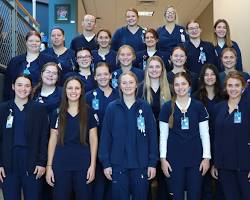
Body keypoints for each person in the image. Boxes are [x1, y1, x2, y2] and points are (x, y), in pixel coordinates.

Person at [99, 71, 158, 200]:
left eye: (131, 82)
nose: (127, 86)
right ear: (119, 86)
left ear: (136, 85)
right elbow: (105, 138)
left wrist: (153, 163)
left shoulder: (145, 107)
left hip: (141, 165)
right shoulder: (112, 108)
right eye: (124, 83)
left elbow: (153, 137)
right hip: (118, 165)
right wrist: (106, 163)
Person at [159, 72, 211, 200]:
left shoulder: (198, 106)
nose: (180, 87)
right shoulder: (167, 107)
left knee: (195, 195)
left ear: (189, 86)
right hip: (174, 160)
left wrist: (206, 158)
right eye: (177, 84)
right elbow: (163, 136)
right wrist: (163, 159)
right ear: (173, 87)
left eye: (183, 84)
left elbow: (205, 134)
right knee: (176, 196)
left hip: (196, 159)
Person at [46, 76, 98, 200]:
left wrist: (93, 165)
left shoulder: (89, 112)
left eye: (76, 88)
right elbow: (53, 139)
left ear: (81, 91)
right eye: (70, 88)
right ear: (65, 91)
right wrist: (49, 167)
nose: (73, 91)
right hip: (61, 164)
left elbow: (93, 138)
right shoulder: (57, 112)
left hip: (83, 164)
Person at [0, 74, 49, 200]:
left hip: (32, 162)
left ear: (31, 88)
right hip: (8, 163)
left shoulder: (39, 109)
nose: (23, 89)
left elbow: (44, 138)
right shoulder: (3, 109)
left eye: (27, 85)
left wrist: (42, 162)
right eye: (19, 85)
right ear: (13, 87)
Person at [211, 71, 250, 200]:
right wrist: (215, 164)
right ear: (225, 87)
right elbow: (215, 138)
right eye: (230, 85)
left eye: (237, 85)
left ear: (243, 88)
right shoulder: (218, 108)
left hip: (245, 165)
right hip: (224, 165)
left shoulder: (248, 108)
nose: (233, 89)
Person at [137, 56, 171, 200]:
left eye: (158, 67)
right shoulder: (140, 88)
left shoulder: (170, 88)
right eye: (151, 67)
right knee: (147, 177)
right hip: (145, 139)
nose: (154, 70)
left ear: (163, 69)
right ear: (147, 69)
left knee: (165, 176)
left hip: (166, 138)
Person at [85, 62, 119, 200]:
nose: (103, 77)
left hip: (115, 146)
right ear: (94, 77)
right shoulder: (88, 96)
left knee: (114, 186)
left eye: (105, 74)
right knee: (97, 187)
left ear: (111, 76)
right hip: (95, 145)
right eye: (99, 74)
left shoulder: (119, 95)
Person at [193, 64, 224, 200]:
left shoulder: (224, 96)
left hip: (220, 143)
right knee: (203, 182)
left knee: (220, 181)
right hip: (201, 144)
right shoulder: (195, 98)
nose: (210, 77)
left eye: (212, 74)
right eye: (206, 74)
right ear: (202, 77)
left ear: (216, 77)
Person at [4, 30, 57, 100]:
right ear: (26, 42)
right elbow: (7, 85)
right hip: (16, 102)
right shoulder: (14, 61)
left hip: (40, 102)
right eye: (31, 41)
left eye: (37, 41)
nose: (34, 43)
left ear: (41, 43)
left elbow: (55, 83)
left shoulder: (49, 61)